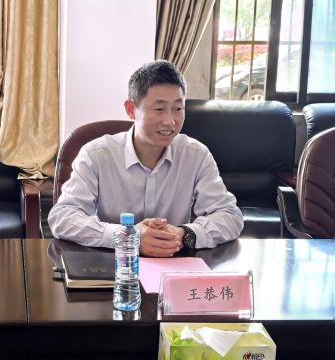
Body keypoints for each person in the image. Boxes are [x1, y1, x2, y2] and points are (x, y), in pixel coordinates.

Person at [49, 60, 243, 257]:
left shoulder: (196, 155)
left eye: (178, 108)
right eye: (159, 109)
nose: (170, 121)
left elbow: (230, 217)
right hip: (113, 265)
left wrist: (184, 234)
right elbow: (62, 217)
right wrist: (127, 237)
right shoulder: (96, 155)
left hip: (172, 265)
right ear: (131, 109)